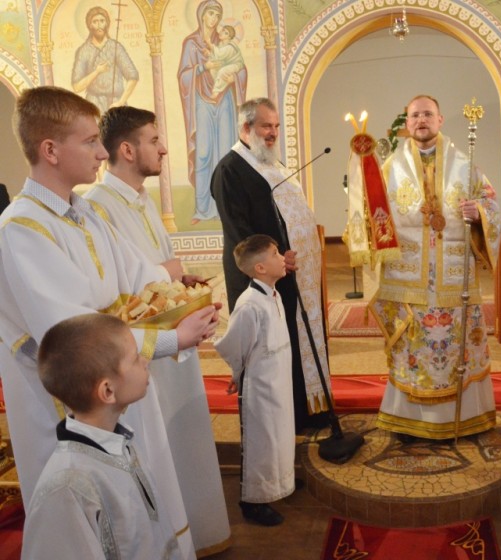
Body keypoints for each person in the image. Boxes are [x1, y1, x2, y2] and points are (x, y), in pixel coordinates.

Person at [0, 86, 216, 558]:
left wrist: (184, 300)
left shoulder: (82, 214)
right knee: (92, 524)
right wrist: (172, 338)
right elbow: (75, 337)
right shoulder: (21, 228)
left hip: (118, 379)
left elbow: (140, 276)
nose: (102, 152)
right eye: (90, 141)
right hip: (69, 405)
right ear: (50, 150)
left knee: (137, 507)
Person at [84, 106, 231, 555]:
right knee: (158, 449)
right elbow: (117, 286)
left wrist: (181, 285)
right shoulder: (97, 207)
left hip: (172, 343)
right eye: (154, 140)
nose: (164, 148)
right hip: (140, 353)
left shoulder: (142, 199)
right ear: (128, 150)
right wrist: (168, 273)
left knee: (183, 439)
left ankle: (196, 529)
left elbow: (158, 271)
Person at [365, 94, 501, 440]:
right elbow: (371, 214)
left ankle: (466, 417)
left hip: (453, 278)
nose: (421, 120)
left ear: (440, 120)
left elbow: (491, 204)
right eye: (415, 115)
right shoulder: (390, 168)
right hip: (408, 276)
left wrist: (479, 213)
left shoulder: (465, 165)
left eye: (427, 114)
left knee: (457, 345)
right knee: (412, 347)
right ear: (407, 122)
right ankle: (409, 420)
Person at [211, 97, 329, 433]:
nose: (273, 132)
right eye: (266, 126)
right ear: (246, 127)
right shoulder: (230, 170)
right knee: (269, 347)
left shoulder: (271, 164)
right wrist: (273, 258)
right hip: (259, 277)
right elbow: (239, 232)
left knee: (292, 339)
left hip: (287, 274)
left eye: (276, 126)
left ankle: (305, 412)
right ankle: (279, 422)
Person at [21, 314, 182, 559]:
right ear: (107, 390)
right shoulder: (67, 486)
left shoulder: (119, 441)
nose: (146, 360)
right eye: (135, 358)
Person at [215, 235, 297, 527]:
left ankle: (279, 484)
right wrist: (237, 374)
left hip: (279, 380)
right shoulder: (250, 304)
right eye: (275, 254)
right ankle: (253, 501)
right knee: (262, 441)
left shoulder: (273, 294)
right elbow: (235, 345)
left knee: (280, 435)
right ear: (260, 268)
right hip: (262, 386)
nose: (282, 258)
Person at [178, 0, 247, 223]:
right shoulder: (191, 43)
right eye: (210, 14)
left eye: (217, 15)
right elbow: (183, 76)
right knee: (204, 152)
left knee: (226, 151)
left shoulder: (225, 41)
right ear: (201, 15)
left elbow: (241, 67)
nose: (214, 19)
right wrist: (202, 67)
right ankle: (203, 209)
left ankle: (226, 209)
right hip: (202, 101)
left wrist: (234, 76)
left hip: (224, 99)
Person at [71, 6, 139, 112]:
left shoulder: (115, 47)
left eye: (102, 21)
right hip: (94, 104)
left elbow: (133, 76)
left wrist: (121, 101)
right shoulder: (83, 51)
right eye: (95, 22)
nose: (99, 25)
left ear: (107, 23)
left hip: (116, 103)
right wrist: (97, 72)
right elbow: (77, 87)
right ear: (89, 25)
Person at [203, 25, 245, 98]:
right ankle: (219, 85)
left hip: (236, 64)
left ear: (229, 37)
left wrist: (209, 43)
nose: (222, 33)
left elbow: (219, 54)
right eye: (223, 30)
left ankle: (216, 92)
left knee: (223, 71)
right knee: (213, 68)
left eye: (226, 33)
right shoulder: (221, 44)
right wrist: (209, 54)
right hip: (226, 63)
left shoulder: (230, 47)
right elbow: (217, 57)